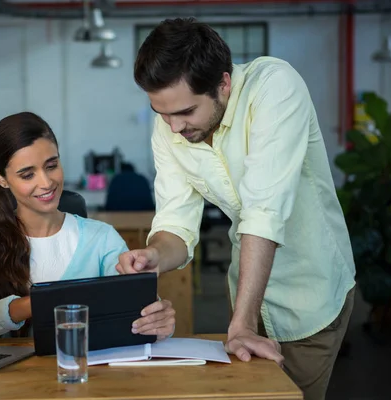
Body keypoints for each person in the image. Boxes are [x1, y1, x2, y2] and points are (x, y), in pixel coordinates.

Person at [117, 18, 356, 400]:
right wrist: (155, 254)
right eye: (161, 113)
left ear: (223, 83)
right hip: (246, 291)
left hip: (310, 293)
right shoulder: (170, 127)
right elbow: (176, 225)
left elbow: (264, 211)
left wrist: (240, 324)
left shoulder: (275, 88)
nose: (173, 127)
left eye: (186, 112)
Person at [0, 112, 176, 339]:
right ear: (1, 178)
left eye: (51, 166)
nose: (46, 182)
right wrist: (40, 303)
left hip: (82, 371)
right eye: (27, 174)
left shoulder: (101, 238)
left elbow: (135, 309)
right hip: (2, 374)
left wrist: (157, 321)